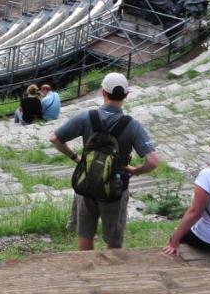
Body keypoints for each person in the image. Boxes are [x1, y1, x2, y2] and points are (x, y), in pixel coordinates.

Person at [50, 72, 160, 250]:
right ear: (126, 95)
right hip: (115, 189)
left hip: (86, 184)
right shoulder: (132, 125)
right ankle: (110, 274)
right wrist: (136, 170)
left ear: (103, 93)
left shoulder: (87, 117)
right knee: (113, 240)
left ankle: (88, 273)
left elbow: (55, 138)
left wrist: (76, 158)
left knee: (85, 235)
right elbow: (153, 161)